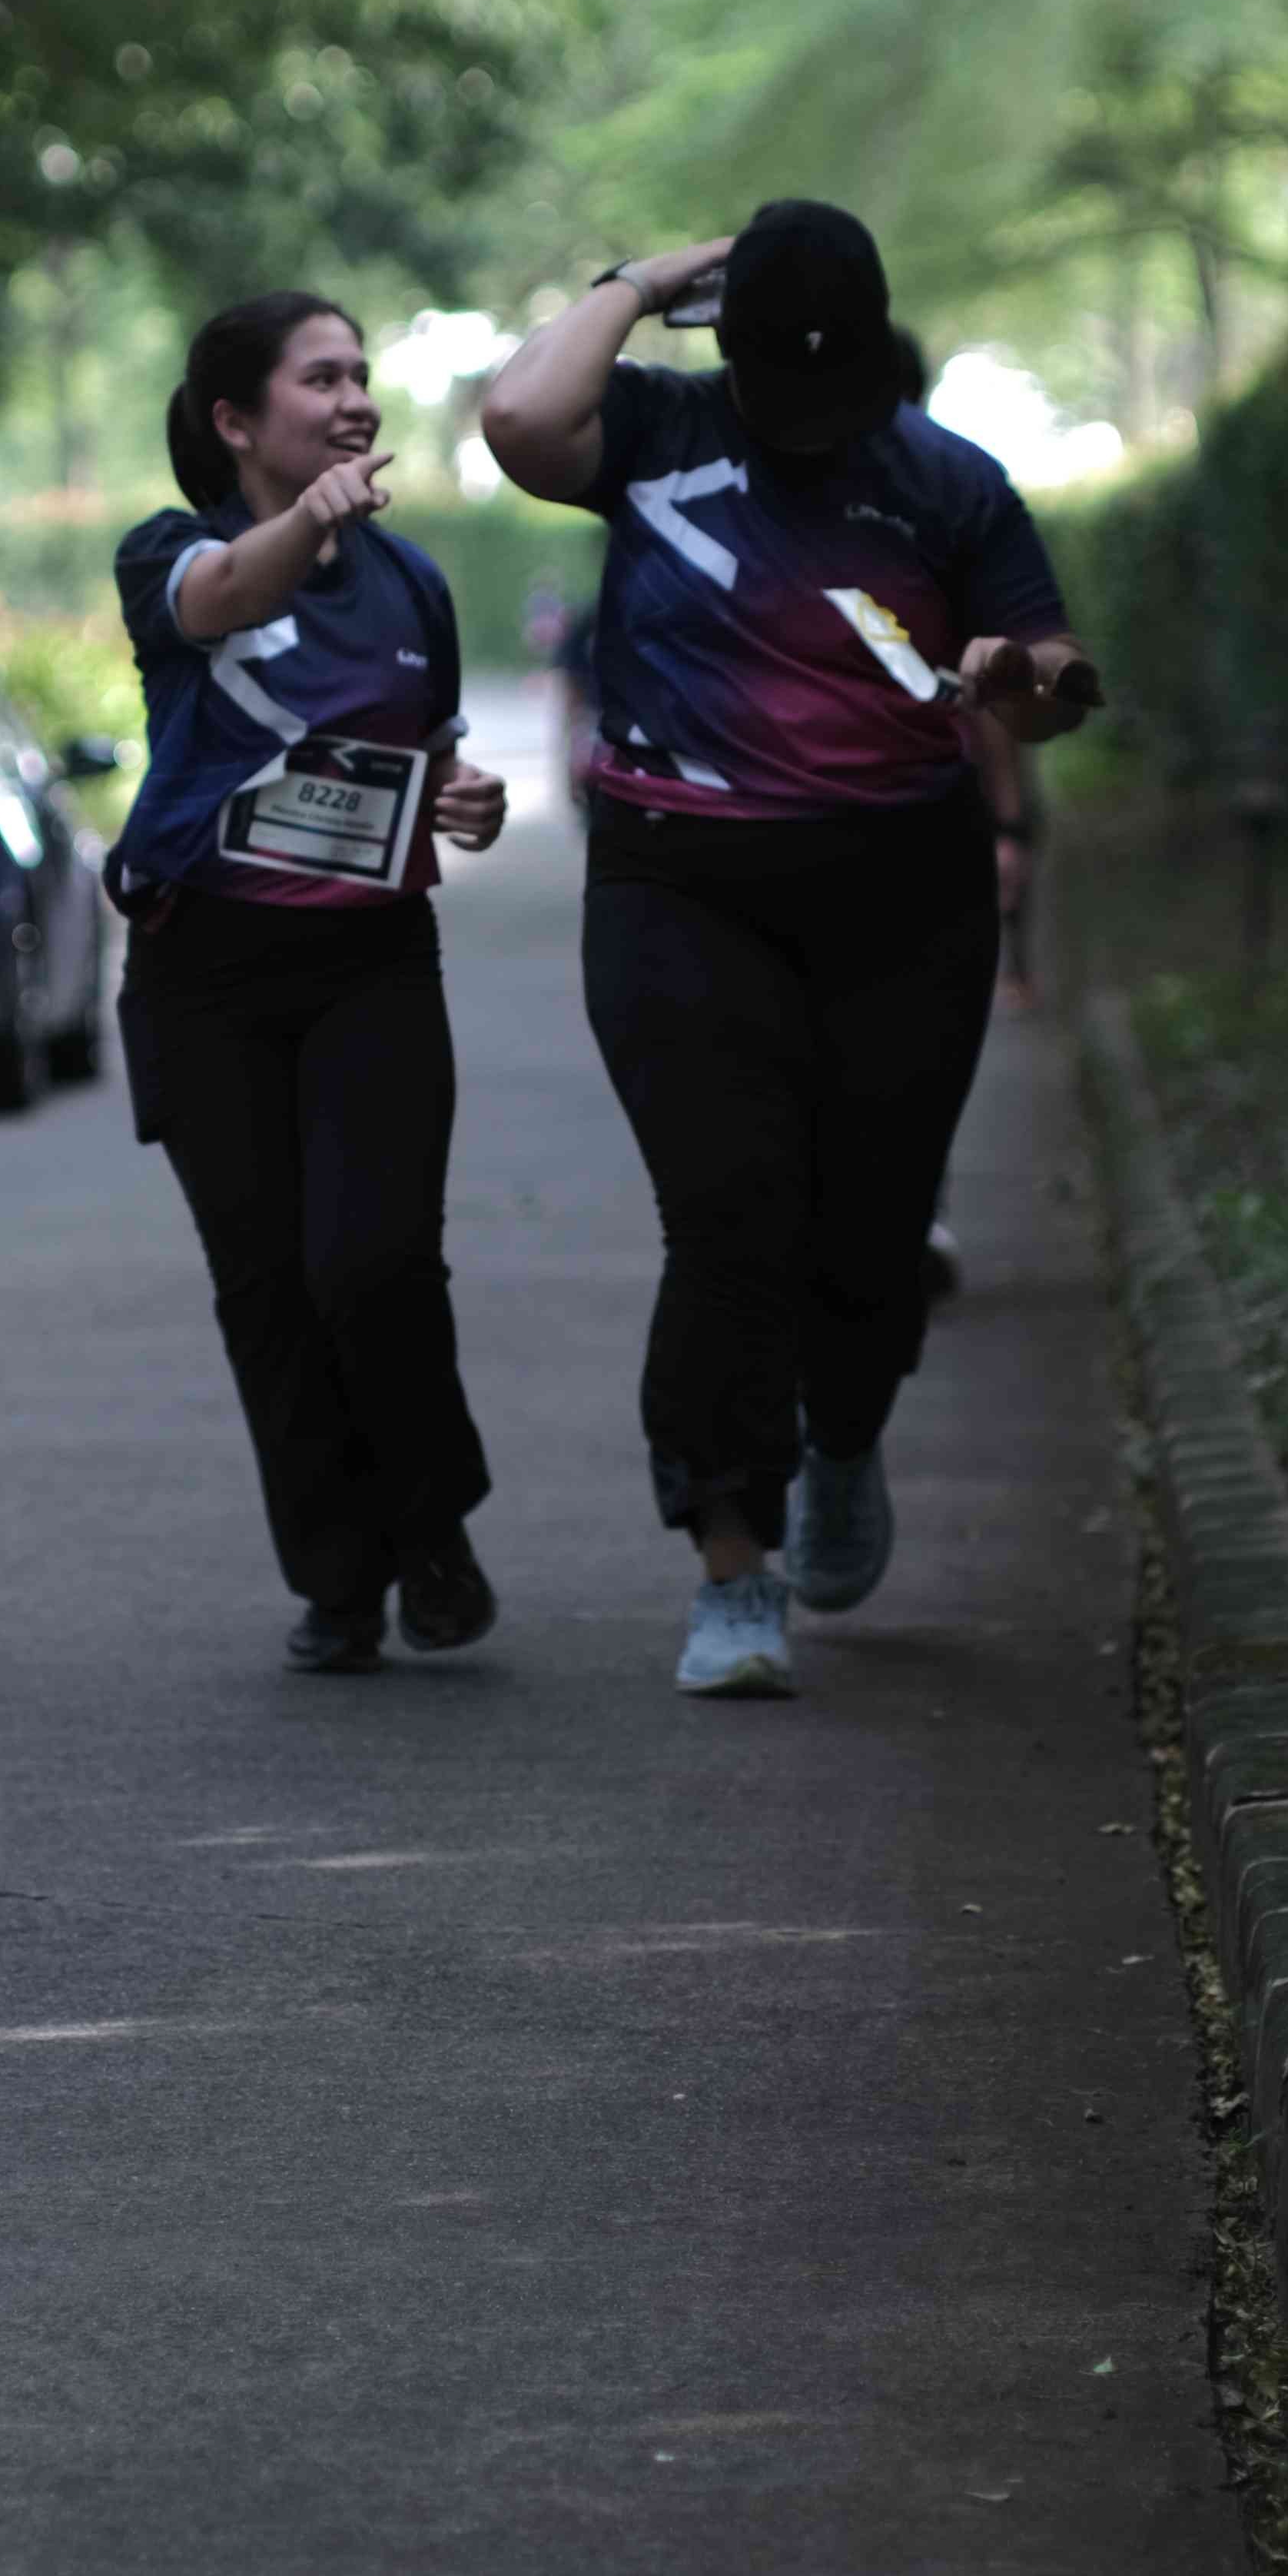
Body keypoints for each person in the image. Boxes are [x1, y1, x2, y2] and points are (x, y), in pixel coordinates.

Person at [480, 199, 1096, 1697]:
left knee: (871, 1235)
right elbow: (518, 419)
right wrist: (639, 282)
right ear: (730, 350)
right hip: (679, 886)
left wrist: (1019, 681)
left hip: (902, 898)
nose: (814, 419)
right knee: (727, 1216)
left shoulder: (946, 479)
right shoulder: (654, 429)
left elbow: (1056, 677)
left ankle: (846, 1434)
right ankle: (731, 1564)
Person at [109, 292, 510, 1675]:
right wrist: (312, 523)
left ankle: (432, 1526)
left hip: (370, 965)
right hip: (205, 976)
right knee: (269, 1290)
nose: (355, 401)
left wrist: (468, 797)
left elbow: (428, 756)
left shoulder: (413, 585)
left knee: (376, 1265)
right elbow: (226, 598)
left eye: (361, 376)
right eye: (320, 380)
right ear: (235, 421)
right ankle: (339, 1582)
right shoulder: (170, 553)